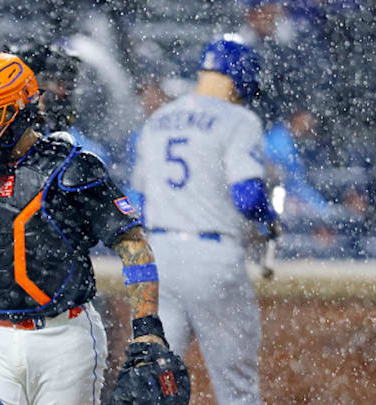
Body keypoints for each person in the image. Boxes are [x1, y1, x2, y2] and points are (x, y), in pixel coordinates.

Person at [0, 53, 188, 405]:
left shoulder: (73, 168)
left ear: (21, 109)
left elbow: (133, 244)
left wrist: (147, 329)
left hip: (64, 337)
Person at [132, 35, 280, 405]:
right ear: (241, 78)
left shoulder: (159, 119)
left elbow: (138, 203)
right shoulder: (239, 119)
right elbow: (247, 197)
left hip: (158, 256)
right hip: (212, 256)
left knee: (158, 382)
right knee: (237, 388)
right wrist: (269, 219)